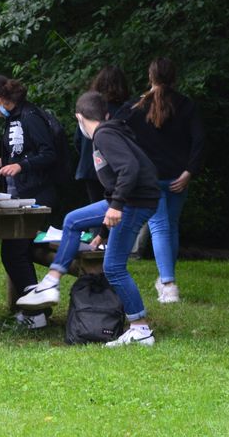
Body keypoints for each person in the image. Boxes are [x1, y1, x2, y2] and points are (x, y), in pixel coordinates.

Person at [18, 91, 160, 347]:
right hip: (131, 200)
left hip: (134, 202)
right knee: (73, 220)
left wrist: (116, 206)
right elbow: (115, 180)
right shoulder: (108, 133)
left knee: (114, 268)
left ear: (79, 117)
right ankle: (51, 282)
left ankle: (140, 329)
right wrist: (103, 231)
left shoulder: (104, 135)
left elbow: (129, 168)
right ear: (105, 114)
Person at [119, 58, 205, 303]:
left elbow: (117, 129)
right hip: (179, 177)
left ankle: (168, 284)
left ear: (151, 76)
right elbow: (199, 140)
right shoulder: (187, 105)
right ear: (174, 77)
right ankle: (167, 279)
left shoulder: (137, 106)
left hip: (150, 178)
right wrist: (190, 171)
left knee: (160, 227)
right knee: (171, 226)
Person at [0, 74, 59, 329]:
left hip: (37, 195)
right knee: (14, 251)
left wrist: (20, 166)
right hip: (21, 194)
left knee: (14, 251)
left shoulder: (30, 117)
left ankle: (37, 313)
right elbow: (21, 151)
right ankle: (34, 310)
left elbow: (48, 154)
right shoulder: (14, 119)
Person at [75, 66, 131, 204]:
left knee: (96, 211)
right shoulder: (125, 112)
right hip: (114, 169)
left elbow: (78, 140)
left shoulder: (88, 110)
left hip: (90, 166)